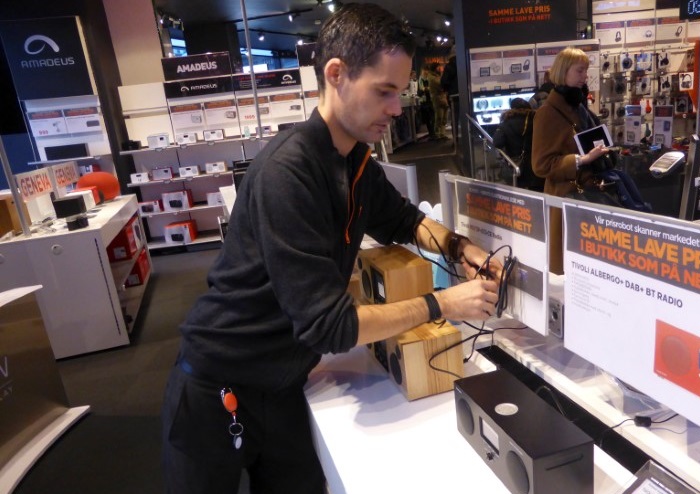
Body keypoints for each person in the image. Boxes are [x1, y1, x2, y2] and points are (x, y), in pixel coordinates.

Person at [160, 4, 502, 494]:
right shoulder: (288, 172)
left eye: (400, 93)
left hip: (281, 386)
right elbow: (331, 326)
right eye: (384, 92)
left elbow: (404, 220)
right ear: (336, 75)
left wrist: (457, 246)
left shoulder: (355, 161)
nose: (397, 109)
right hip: (216, 388)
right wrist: (444, 303)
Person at [532, 47, 610, 275]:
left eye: (586, 70)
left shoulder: (580, 108)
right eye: (580, 71)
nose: (585, 76)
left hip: (587, 201)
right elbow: (541, 165)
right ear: (563, 71)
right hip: (567, 202)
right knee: (569, 271)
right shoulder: (547, 113)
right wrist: (580, 160)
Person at [492, 98, 543, 191]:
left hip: (517, 166)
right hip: (537, 165)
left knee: (519, 195)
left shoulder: (506, 123)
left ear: (511, 109)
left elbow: (497, 142)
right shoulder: (538, 120)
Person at [440, 50, 460, 140]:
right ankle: (470, 137)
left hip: (454, 95)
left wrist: (446, 90)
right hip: (466, 94)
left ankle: (455, 139)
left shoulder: (449, 67)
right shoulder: (464, 62)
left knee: (454, 118)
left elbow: (444, 82)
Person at [427, 62, 448, 140]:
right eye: (438, 67)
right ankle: (438, 134)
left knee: (444, 118)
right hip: (437, 99)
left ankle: (443, 134)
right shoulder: (432, 77)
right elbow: (440, 85)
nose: (440, 69)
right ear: (435, 68)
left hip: (443, 99)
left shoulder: (438, 76)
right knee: (439, 117)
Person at [417, 65, 436, 139]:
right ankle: (431, 133)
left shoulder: (429, 78)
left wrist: (426, 89)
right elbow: (422, 89)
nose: (426, 72)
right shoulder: (421, 79)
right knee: (428, 118)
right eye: (425, 70)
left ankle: (433, 132)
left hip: (430, 100)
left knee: (433, 117)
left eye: (427, 70)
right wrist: (426, 89)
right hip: (424, 101)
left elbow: (429, 88)